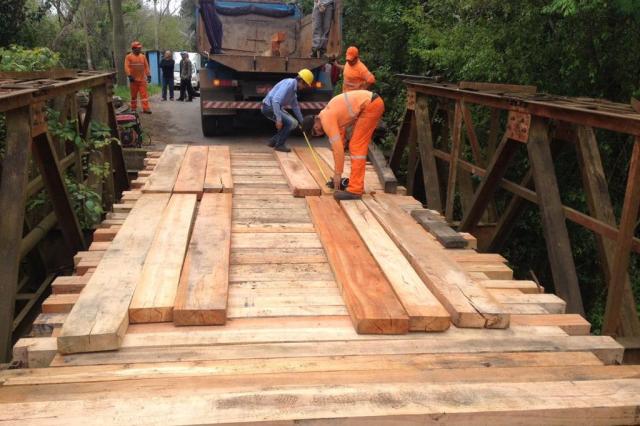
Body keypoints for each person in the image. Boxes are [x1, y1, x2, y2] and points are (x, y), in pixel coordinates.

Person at [301, 90, 384, 200]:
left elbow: (338, 149)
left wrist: (338, 174)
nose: (318, 132)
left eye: (315, 131)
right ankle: (357, 185)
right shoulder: (327, 114)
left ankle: (355, 190)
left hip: (370, 105)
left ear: (316, 120)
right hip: (371, 104)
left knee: (356, 146)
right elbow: (340, 139)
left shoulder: (326, 119)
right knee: (356, 145)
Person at [261, 69, 314, 152]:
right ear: (301, 81)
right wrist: (278, 120)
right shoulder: (289, 84)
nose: (304, 87)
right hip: (268, 107)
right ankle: (279, 145)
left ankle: (273, 141)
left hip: (273, 107)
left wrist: (302, 122)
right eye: (305, 85)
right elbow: (275, 101)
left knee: (294, 123)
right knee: (289, 123)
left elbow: (295, 107)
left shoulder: (293, 90)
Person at [124, 41, 152, 114]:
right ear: (133, 49)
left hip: (142, 79)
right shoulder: (128, 57)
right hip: (133, 80)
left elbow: (146, 66)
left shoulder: (143, 56)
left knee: (144, 95)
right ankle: (133, 109)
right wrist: (129, 75)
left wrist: (148, 75)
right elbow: (126, 67)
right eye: (138, 48)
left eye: (140, 48)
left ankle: (146, 109)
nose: (140, 49)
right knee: (133, 96)